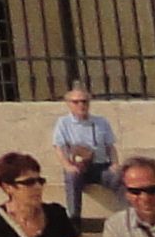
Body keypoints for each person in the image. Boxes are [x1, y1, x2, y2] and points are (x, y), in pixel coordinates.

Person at [47, 88, 120, 222]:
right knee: (72, 177)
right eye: (76, 102)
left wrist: (115, 163)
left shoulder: (101, 122)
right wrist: (67, 166)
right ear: (68, 104)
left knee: (119, 178)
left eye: (84, 101)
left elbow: (111, 146)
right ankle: (74, 220)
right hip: (78, 166)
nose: (81, 105)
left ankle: (130, 215)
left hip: (100, 165)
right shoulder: (63, 123)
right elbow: (59, 147)